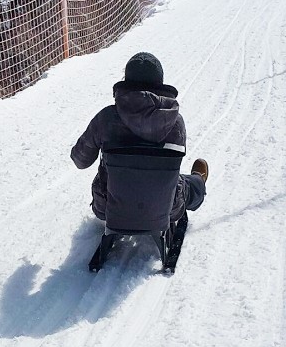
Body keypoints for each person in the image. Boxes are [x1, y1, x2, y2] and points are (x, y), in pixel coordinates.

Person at [70, 51, 208, 226]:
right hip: (167, 208)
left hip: (108, 207)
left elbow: (80, 161)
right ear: (160, 83)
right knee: (185, 184)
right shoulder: (175, 121)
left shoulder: (106, 118)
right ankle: (198, 181)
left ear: (126, 81)